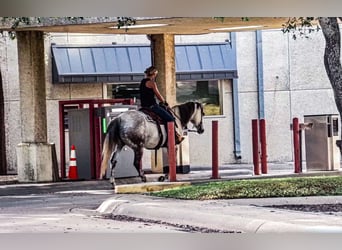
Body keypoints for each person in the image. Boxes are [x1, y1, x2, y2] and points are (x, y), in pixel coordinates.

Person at [140, 66, 184, 143]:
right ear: (153, 74)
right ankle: (172, 138)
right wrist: (164, 102)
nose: (155, 76)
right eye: (155, 74)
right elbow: (158, 95)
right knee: (170, 119)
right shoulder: (152, 83)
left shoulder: (142, 82)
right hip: (152, 106)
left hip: (144, 106)